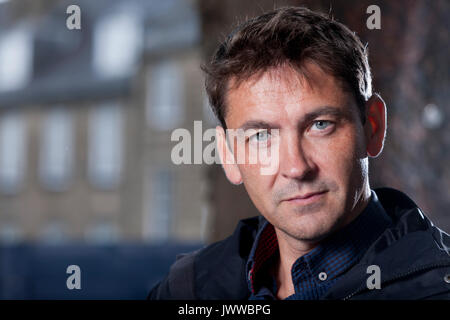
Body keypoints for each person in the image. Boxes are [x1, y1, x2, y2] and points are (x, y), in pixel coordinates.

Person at [148, 6, 450, 300]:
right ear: (228, 155)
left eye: (320, 125)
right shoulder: (189, 288)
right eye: (262, 136)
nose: (296, 167)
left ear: (373, 126)